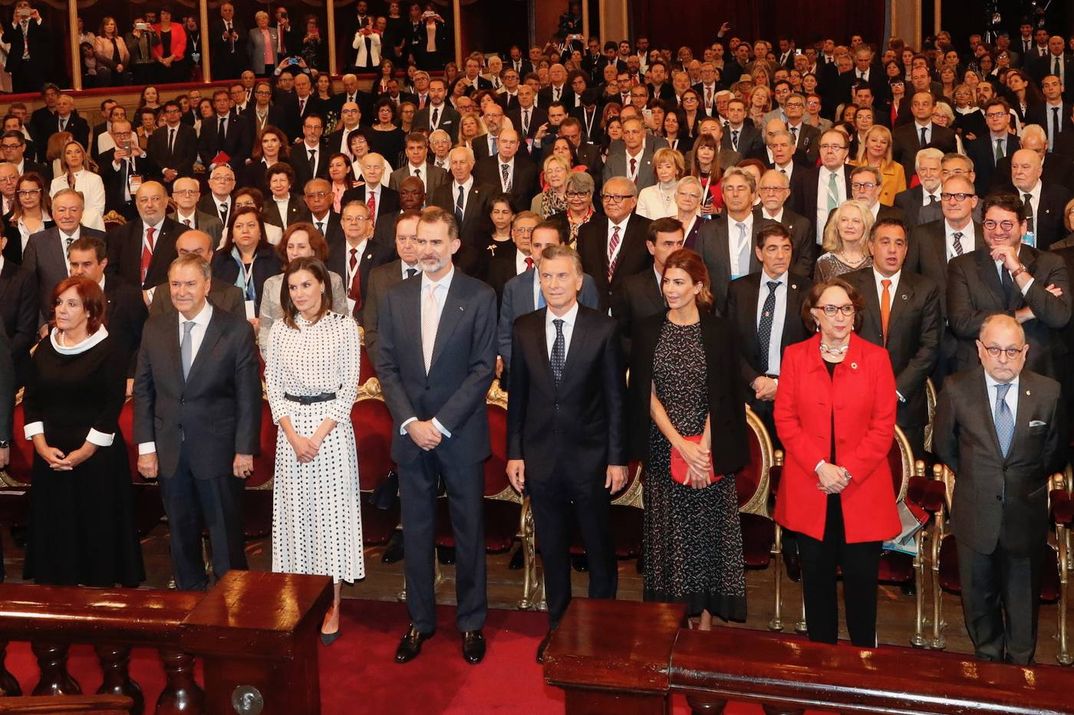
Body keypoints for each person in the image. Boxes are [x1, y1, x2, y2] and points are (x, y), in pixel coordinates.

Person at [372, 206, 497, 666]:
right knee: (418, 533)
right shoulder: (394, 295)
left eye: (435, 242)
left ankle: (471, 623)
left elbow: (483, 369)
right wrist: (411, 422)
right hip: (411, 434)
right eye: (420, 241)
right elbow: (385, 365)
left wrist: (440, 424)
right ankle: (420, 621)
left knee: (468, 531)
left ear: (454, 245)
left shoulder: (480, 295)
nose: (426, 250)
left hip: (459, 433)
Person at [506, 243, 627, 663]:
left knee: (598, 549)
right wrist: (514, 453)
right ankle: (557, 626)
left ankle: (602, 629)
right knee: (552, 549)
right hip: (539, 458)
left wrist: (617, 458)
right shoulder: (523, 328)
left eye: (561, 276)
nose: (554, 284)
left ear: (579, 281)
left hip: (592, 459)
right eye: (546, 277)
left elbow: (616, 400)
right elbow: (517, 397)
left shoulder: (603, 329)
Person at [774, 277, 901, 647]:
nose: (840, 317)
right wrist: (819, 466)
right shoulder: (795, 356)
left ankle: (864, 664)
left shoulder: (876, 358)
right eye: (830, 309)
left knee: (862, 586)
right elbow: (785, 420)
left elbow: (883, 426)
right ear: (814, 314)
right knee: (816, 583)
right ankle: (821, 665)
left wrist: (846, 471)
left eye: (847, 308)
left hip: (860, 488)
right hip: (809, 486)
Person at [627, 248, 749, 630]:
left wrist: (702, 451)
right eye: (667, 281)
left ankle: (708, 616)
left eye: (680, 282)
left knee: (710, 532)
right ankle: (673, 614)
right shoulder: (648, 328)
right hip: (666, 447)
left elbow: (725, 392)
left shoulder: (719, 330)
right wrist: (680, 444)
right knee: (671, 533)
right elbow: (645, 394)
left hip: (712, 446)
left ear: (699, 286)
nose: (671, 289)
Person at [933, 314, 1066, 664]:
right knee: (979, 605)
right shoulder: (956, 388)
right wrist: (981, 478)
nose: (1003, 359)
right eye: (994, 350)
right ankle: (988, 669)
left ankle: (1022, 675)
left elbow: (1054, 454)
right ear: (979, 350)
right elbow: (944, 446)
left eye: (1011, 351)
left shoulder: (1048, 392)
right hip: (975, 516)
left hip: (1026, 516)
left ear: (1025, 352)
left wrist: (1018, 481)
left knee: (1024, 608)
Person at [134, 253, 262, 591]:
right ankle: (189, 601)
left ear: (207, 285)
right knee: (180, 532)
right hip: (170, 452)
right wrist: (146, 448)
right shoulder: (155, 327)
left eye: (190, 283)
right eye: (175, 284)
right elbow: (144, 392)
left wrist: (244, 450)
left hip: (219, 452)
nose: (181, 291)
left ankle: (232, 604)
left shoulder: (234, 330)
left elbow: (248, 396)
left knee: (225, 534)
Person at [21, 275, 144, 587]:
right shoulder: (46, 347)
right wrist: (41, 446)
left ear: (90, 311)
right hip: (51, 456)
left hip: (95, 458)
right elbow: (32, 400)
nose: (61, 309)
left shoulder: (110, 348)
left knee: (96, 529)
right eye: (59, 303)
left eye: (71, 304)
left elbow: (110, 407)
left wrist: (83, 453)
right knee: (55, 531)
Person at [266, 256, 362, 644]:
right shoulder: (279, 331)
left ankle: (333, 603)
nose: (300, 293)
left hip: (331, 433)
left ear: (323, 285)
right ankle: (298, 598)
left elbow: (349, 386)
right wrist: (293, 435)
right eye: (293, 287)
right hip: (290, 433)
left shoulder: (343, 328)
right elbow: (272, 384)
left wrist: (317, 437)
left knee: (331, 521)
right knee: (295, 517)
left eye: (306, 285)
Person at [947, 193, 1070, 380]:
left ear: (1023, 226)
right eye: (990, 224)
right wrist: (1025, 314)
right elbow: (962, 323)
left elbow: (1059, 316)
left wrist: (1018, 270)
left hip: (1038, 370)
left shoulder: (1050, 263)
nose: (997, 231)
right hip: (978, 372)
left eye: (1006, 224)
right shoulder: (962, 266)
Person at [845, 219, 942, 456]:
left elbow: (929, 346)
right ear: (870, 246)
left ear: (906, 250)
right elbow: (840, 340)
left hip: (905, 404)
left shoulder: (924, 288)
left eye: (899, 244)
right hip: (856, 401)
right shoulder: (849, 285)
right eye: (885, 242)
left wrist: (896, 390)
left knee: (905, 480)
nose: (892, 250)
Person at [726, 223, 813, 443]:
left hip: (792, 394)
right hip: (749, 394)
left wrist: (780, 384)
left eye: (786, 248)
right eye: (772, 249)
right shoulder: (739, 289)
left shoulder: (808, 290)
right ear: (759, 252)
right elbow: (729, 343)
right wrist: (755, 380)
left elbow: (812, 346)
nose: (781, 255)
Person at [258, 223, 347, 358]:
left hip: (326, 359)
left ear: (313, 250)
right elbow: (265, 334)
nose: (294, 253)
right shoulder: (272, 284)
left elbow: (342, 327)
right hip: (283, 362)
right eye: (290, 247)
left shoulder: (333, 280)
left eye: (301, 247)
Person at [23, 189, 106, 325]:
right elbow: (28, 290)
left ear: (82, 212)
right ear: (53, 213)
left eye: (73, 210)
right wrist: (41, 325)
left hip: (94, 320)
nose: (67, 215)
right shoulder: (37, 242)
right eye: (61, 210)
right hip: (51, 324)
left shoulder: (100, 239)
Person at [577, 176, 653, 311]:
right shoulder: (587, 231)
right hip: (595, 309)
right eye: (606, 197)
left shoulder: (648, 230)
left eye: (618, 197)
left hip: (633, 310)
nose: (611, 202)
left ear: (633, 201)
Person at [363, 211, 422, 363]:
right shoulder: (379, 276)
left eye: (414, 238)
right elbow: (371, 329)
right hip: (389, 370)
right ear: (395, 240)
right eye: (401, 238)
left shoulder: (438, 275)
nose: (407, 245)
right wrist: (386, 367)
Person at [105, 181, 182, 293]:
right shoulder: (119, 235)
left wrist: (151, 295)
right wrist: (134, 296)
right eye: (143, 200)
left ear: (166, 202)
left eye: (155, 199)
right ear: (136, 204)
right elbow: (110, 274)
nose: (149, 205)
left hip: (167, 302)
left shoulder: (181, 235)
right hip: (128, 300)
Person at [211, 206, 283, 326]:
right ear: (232, 235)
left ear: (260, 232)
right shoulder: (220, 259)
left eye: (251, 225)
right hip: (229, 325)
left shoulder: (276, 257)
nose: (245, 230)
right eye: (238, 226)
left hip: (270, 323)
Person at [814, 200, 875, 281]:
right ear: (837, 225)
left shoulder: (876, 261)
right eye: (844, 220)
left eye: (856, 221)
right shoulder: (824, 262)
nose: (849, 225)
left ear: (866, 226)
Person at [49, 141, 106, 221]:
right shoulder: (56, 182)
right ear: (64, 158)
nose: (73, 155)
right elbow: (54, 209)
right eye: (69, 153)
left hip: (90, 227)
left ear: (83, 156)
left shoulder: (95, 179)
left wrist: (77, 223)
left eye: (77, 152)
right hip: (63, 226)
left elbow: (98, 209)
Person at [636, 148, 685, 220]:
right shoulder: (646, 193)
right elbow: (640, 223)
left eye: (668, 167)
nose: (663, 171)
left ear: (677, 170)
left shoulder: (686, 192)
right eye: (659, 167)